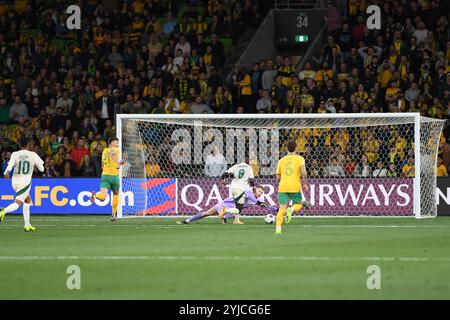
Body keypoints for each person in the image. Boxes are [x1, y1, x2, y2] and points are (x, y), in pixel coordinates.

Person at [0, 137, 44, 231]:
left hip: (14, 182)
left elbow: (10, 166)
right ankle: (3, 211)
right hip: (25, 183)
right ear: (28, 145)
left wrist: (6, 173)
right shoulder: (33, 154)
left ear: (19, 145)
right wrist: (36, 164)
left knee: (27, 200)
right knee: (18, 203)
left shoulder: (15, 154)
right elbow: (42, 169)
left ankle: (27, 225)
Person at [177, 185, 276, 224]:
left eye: (262, 193)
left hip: (228, 206)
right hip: (227, 204)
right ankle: (187, 220)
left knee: (208, 213)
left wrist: (277, 210)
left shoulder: (257, 199)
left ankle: (187, 220)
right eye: (259, 191)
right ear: (255, 189)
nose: (260, 194)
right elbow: (252, 198)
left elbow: (266, 206)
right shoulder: (248, 192)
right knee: (234, 212)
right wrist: (259, 203)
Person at [275, 140, 309, 235]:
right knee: (298, 204)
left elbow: (277, 176)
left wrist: (279, 181)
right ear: (296, 148)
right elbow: (304, 172)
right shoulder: (300, 159)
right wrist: (305, 183)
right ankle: (291, 209)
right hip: (295, 186)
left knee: (281, 209)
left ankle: (278, 228)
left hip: (283, 186)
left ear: (286, 148)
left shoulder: (281, 160)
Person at [90, 137, 124, 221]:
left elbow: (102, 165)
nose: (117, 144)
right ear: (111, 143)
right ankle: (113, 215)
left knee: (102, 197)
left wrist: (116, 163)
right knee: (116, 194)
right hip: (114, 177)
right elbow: (112, 154)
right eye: (116, 142)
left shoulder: (104, 151)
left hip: (105, 176)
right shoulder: (115, 149)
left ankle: (95, 195)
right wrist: (117, 164)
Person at [219, 159, 255, 224]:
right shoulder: (249, 168)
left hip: (233, 188)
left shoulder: (236, 166)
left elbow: (224, 174)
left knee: (236, 205)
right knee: (239, 209)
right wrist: (253, 186)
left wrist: (223, 180)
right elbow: (251, 180)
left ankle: (236, 220)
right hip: (240, 189)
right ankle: (225, 210)